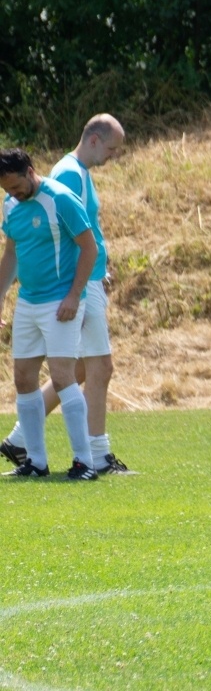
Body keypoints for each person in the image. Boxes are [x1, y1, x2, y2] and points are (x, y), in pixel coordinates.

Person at [1, 115, 129, 474]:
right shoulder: (68, 174)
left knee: (78, 370)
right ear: (93, 140)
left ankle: (35, 444)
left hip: (74, 286)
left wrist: (95, 272)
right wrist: (82, 286)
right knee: (87, 368)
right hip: (61, 289)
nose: (114, 155)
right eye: (112, 148)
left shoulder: (73, 175)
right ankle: (86, 454)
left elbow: (85, 237)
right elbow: (49, 238)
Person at [0, 147, 101, 480]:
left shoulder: (61, 199)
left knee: (61, 377)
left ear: (30, 171)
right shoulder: (10, 206)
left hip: (61, 302)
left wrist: (74, 296)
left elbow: (90, 248)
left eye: (16, 186)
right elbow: (11, 254)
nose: (13, 194)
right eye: (6, 190)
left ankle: (85, 462)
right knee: (24, 379)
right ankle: (36, 462)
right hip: (28, 302)